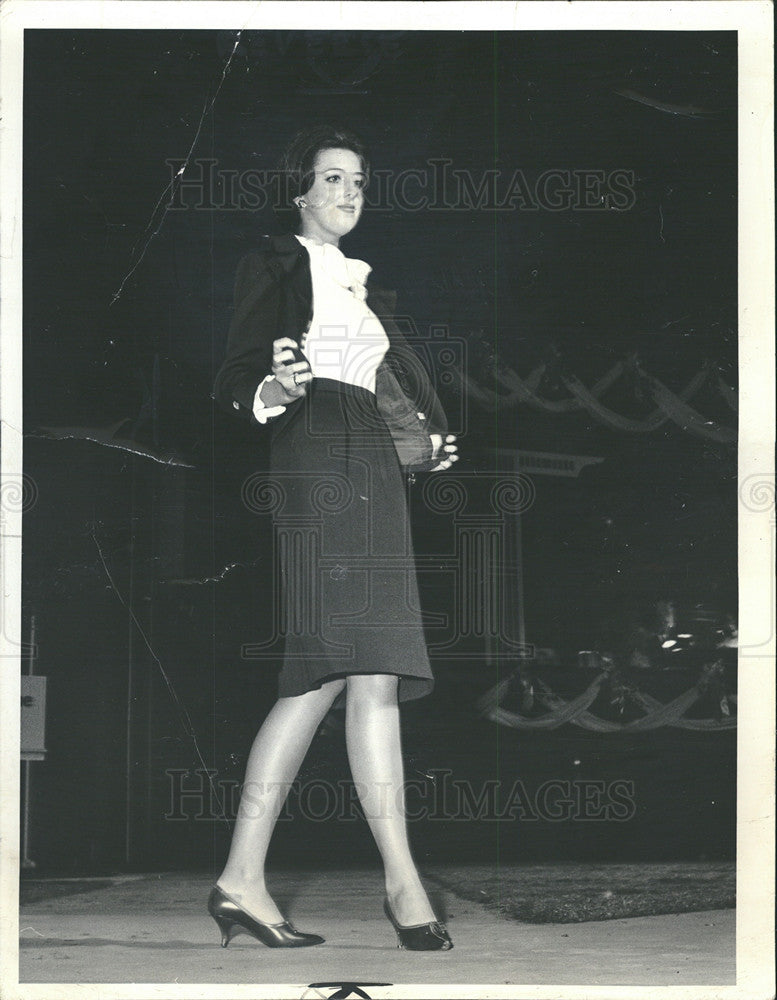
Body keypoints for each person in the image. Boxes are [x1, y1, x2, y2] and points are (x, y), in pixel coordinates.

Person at [210, 125, 458, 951]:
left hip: (371, 469)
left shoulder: (363, 287)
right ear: (299, 192)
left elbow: (386, 394)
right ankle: (383, 883)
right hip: (315, 454)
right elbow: (237, 368)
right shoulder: (276, 264)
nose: (351, 192)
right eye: (333, 178)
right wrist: (270, 384)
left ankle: (271, 881)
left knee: (370, 676)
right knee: (323, 672)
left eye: (359, 179)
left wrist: (422, 444)